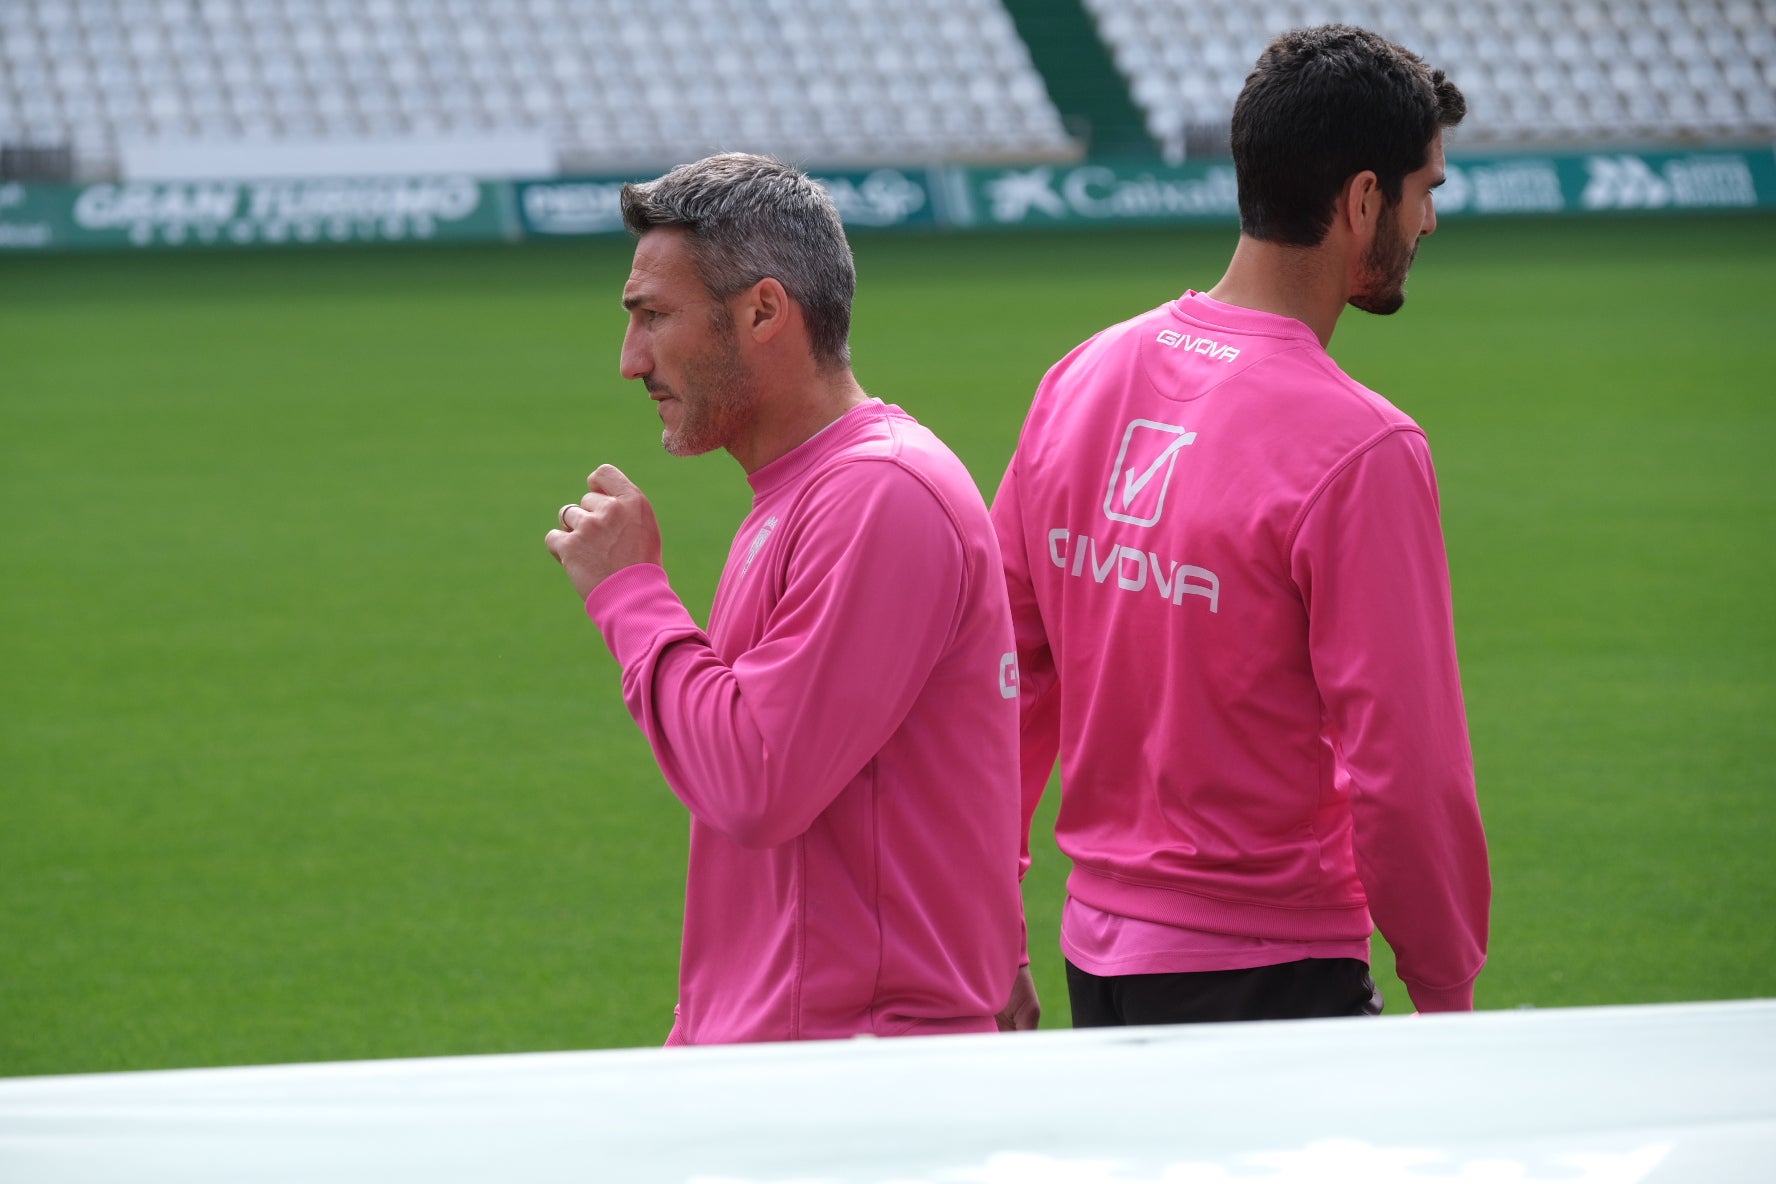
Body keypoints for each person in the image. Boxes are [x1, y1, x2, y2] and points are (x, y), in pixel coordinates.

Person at [991, 24, 1491, 1030]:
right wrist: (1445, 992)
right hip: (1274, 971)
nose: (1430, 219)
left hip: (1100, 957)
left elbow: (998, 681)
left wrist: (991, 923)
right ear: (1361, 201)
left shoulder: (1081, 378)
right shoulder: (1364, 447)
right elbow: (1408, 770)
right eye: (1424, 188)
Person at [545, 153, 1023, 1045]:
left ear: (764, 311)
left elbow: (757, 783)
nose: (630, 360)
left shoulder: (878, 495)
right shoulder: (810, 493)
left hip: (849, 1066)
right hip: (800, 1050)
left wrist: (631, 595)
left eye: (654, 317)